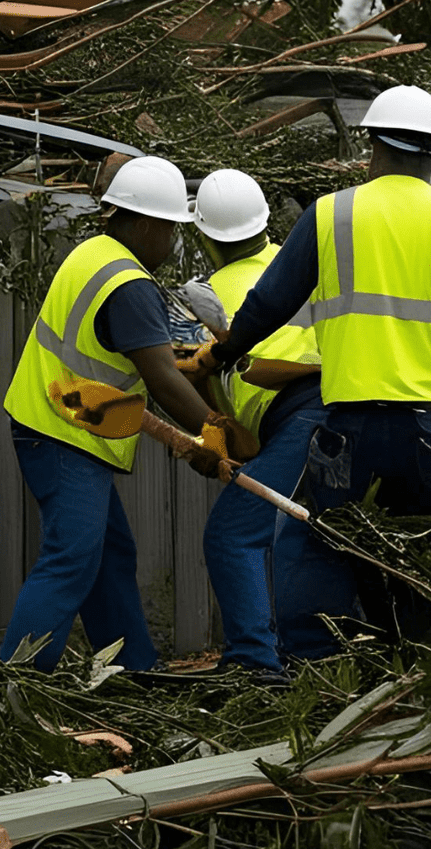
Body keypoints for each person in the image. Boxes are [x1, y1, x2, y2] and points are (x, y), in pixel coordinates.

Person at [202, 85, 431, 657]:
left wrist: (220, 354)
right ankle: (429, 680)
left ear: (372, 146)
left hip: (351, 425)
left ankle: (321, 676)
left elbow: (268, 304)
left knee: (321, 544)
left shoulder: (332, 214)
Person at [0, 155, 239, 671]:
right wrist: (214, 433)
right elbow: (161, 377)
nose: (174, 243)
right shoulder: (128, 283)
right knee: (71, 561)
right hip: (64, 433)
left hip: (62, 417)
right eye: (173, 229)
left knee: (109, 560)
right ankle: (15, 686)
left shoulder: (95, 253)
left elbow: (129, 353)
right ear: (149, 223)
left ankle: (134, 672)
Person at [177, 169, 328, 675]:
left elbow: (214, 404)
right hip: (349, 406)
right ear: (266, 222)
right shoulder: (303, 265)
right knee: (313, 535)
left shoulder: (202, 297)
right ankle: (317, 659)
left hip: (298, 414)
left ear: (201, 235)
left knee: (233, 534)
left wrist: (211, 441)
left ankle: (255, 666)